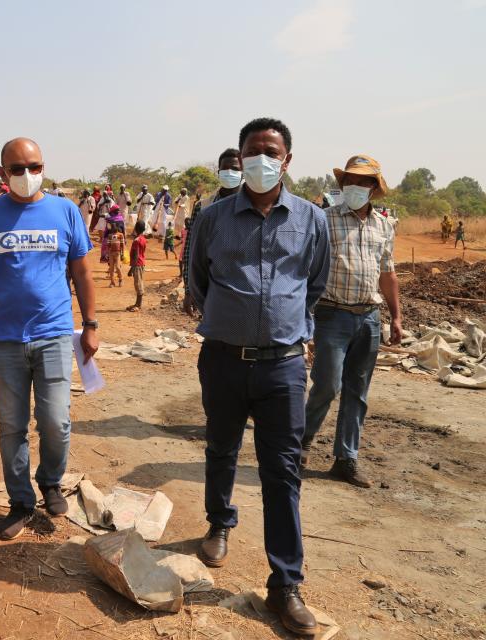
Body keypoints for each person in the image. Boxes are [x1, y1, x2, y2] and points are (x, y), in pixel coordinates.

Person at [187, 118, 329, 636]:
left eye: (271, 152)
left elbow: (315, 282)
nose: (261, 160)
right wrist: (232, 319)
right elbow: (196, 279)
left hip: (284, 367)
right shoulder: (213, 217)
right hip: (223, 359)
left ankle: (285, 585)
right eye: (252, 151)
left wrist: (284, 323)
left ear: (287, 159)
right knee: (221, 448)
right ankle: (219, 524)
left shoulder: (312, 220)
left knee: (281, 472)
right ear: (239, 157)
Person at [0, 137, 97, 540]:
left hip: (53, 335)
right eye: (18, 169)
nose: (28, 175)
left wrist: (92, 324)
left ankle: (50, 480)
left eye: (34, 167)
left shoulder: (65, 212)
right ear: (3, 174)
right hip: (5, 338)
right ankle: (20, 502)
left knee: (56, 421)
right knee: (11, 427)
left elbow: (82, 273)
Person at [303, 154, 400, 489]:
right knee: (328, 384)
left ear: (373, 189)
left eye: (363, 182)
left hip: (368, 318)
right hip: (332, 314)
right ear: (342, 185)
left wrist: (396, 316)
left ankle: (346, 459)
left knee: (357, 392)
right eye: (350, 182)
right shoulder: (324, 220)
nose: (355, 187)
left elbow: (387, 274)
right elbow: (307, 268)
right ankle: (300, 444)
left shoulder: (384, 226)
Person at [182, 148, 243, 316]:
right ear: (219, 172)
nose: (230, 173)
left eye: (236, 169)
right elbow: (190, 251)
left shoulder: (255, 207)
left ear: (243, 173)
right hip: (212, 290)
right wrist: (189, 290)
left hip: (244, 293)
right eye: (226, 169)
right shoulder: (203, 207)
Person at [127, 220, 147, 311]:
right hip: (141, 262)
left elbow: (136, 254)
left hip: (137, 264)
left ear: (135, 228)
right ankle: (137, 303)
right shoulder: (143, 239)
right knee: (138, 283)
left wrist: (132, 268)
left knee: (138, 284)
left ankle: (138, 305)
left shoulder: (136, 240)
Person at [105, 219, 125, 287]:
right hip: (111, 253)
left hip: (118, 253)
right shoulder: (110, 236)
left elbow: (123, 245)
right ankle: (112, 282)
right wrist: (107, 254)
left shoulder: (120, 235)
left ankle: (121, 279)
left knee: (117, 267)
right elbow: (108, 245)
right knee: (111, 268)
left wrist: (123, 254)